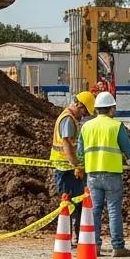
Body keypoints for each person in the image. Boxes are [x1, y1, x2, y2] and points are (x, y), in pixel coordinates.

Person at [77, 91, 130, 257]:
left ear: (97, 109)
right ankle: (118, 246)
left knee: (95, 211)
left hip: (92, 174)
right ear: (111, 109)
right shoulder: (116, 126)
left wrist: (83, 167)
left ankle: (94, 246)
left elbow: (79, 153)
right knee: (114, 210)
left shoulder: (86, 127)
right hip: (112, 174)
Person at [50, 91, 96, 241]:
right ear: (79, 105)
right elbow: (67, 144)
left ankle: (72, 236)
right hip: (66, 170)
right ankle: (70, 237)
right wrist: (77, 165)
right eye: (84, 112)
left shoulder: (68, 118)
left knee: (74, 203)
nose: (83, 116)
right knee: (70, 204)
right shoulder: (68, 119)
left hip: (67, 169)